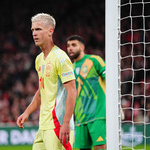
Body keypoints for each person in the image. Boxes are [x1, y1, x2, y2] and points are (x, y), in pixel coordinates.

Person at [16, 13, 77, 150]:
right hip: (43, 126)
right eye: (32, 30)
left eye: (38, 29)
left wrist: (66, 122)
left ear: (50, 31)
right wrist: (26, 112)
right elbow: (41, 91)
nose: (34, 33)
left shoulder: (60, 57)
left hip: (58, 125)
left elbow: (72, 91)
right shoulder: (39, 59)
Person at [66, 35, 106, 150]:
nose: (70, 48)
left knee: (100, 147)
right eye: (68, 46)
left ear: (82, 47)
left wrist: (117, 105)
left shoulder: (94, 60)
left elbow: (111, 81)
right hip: (80, 118)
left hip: (97, 115)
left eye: (74, 45)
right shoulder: (70, 69)